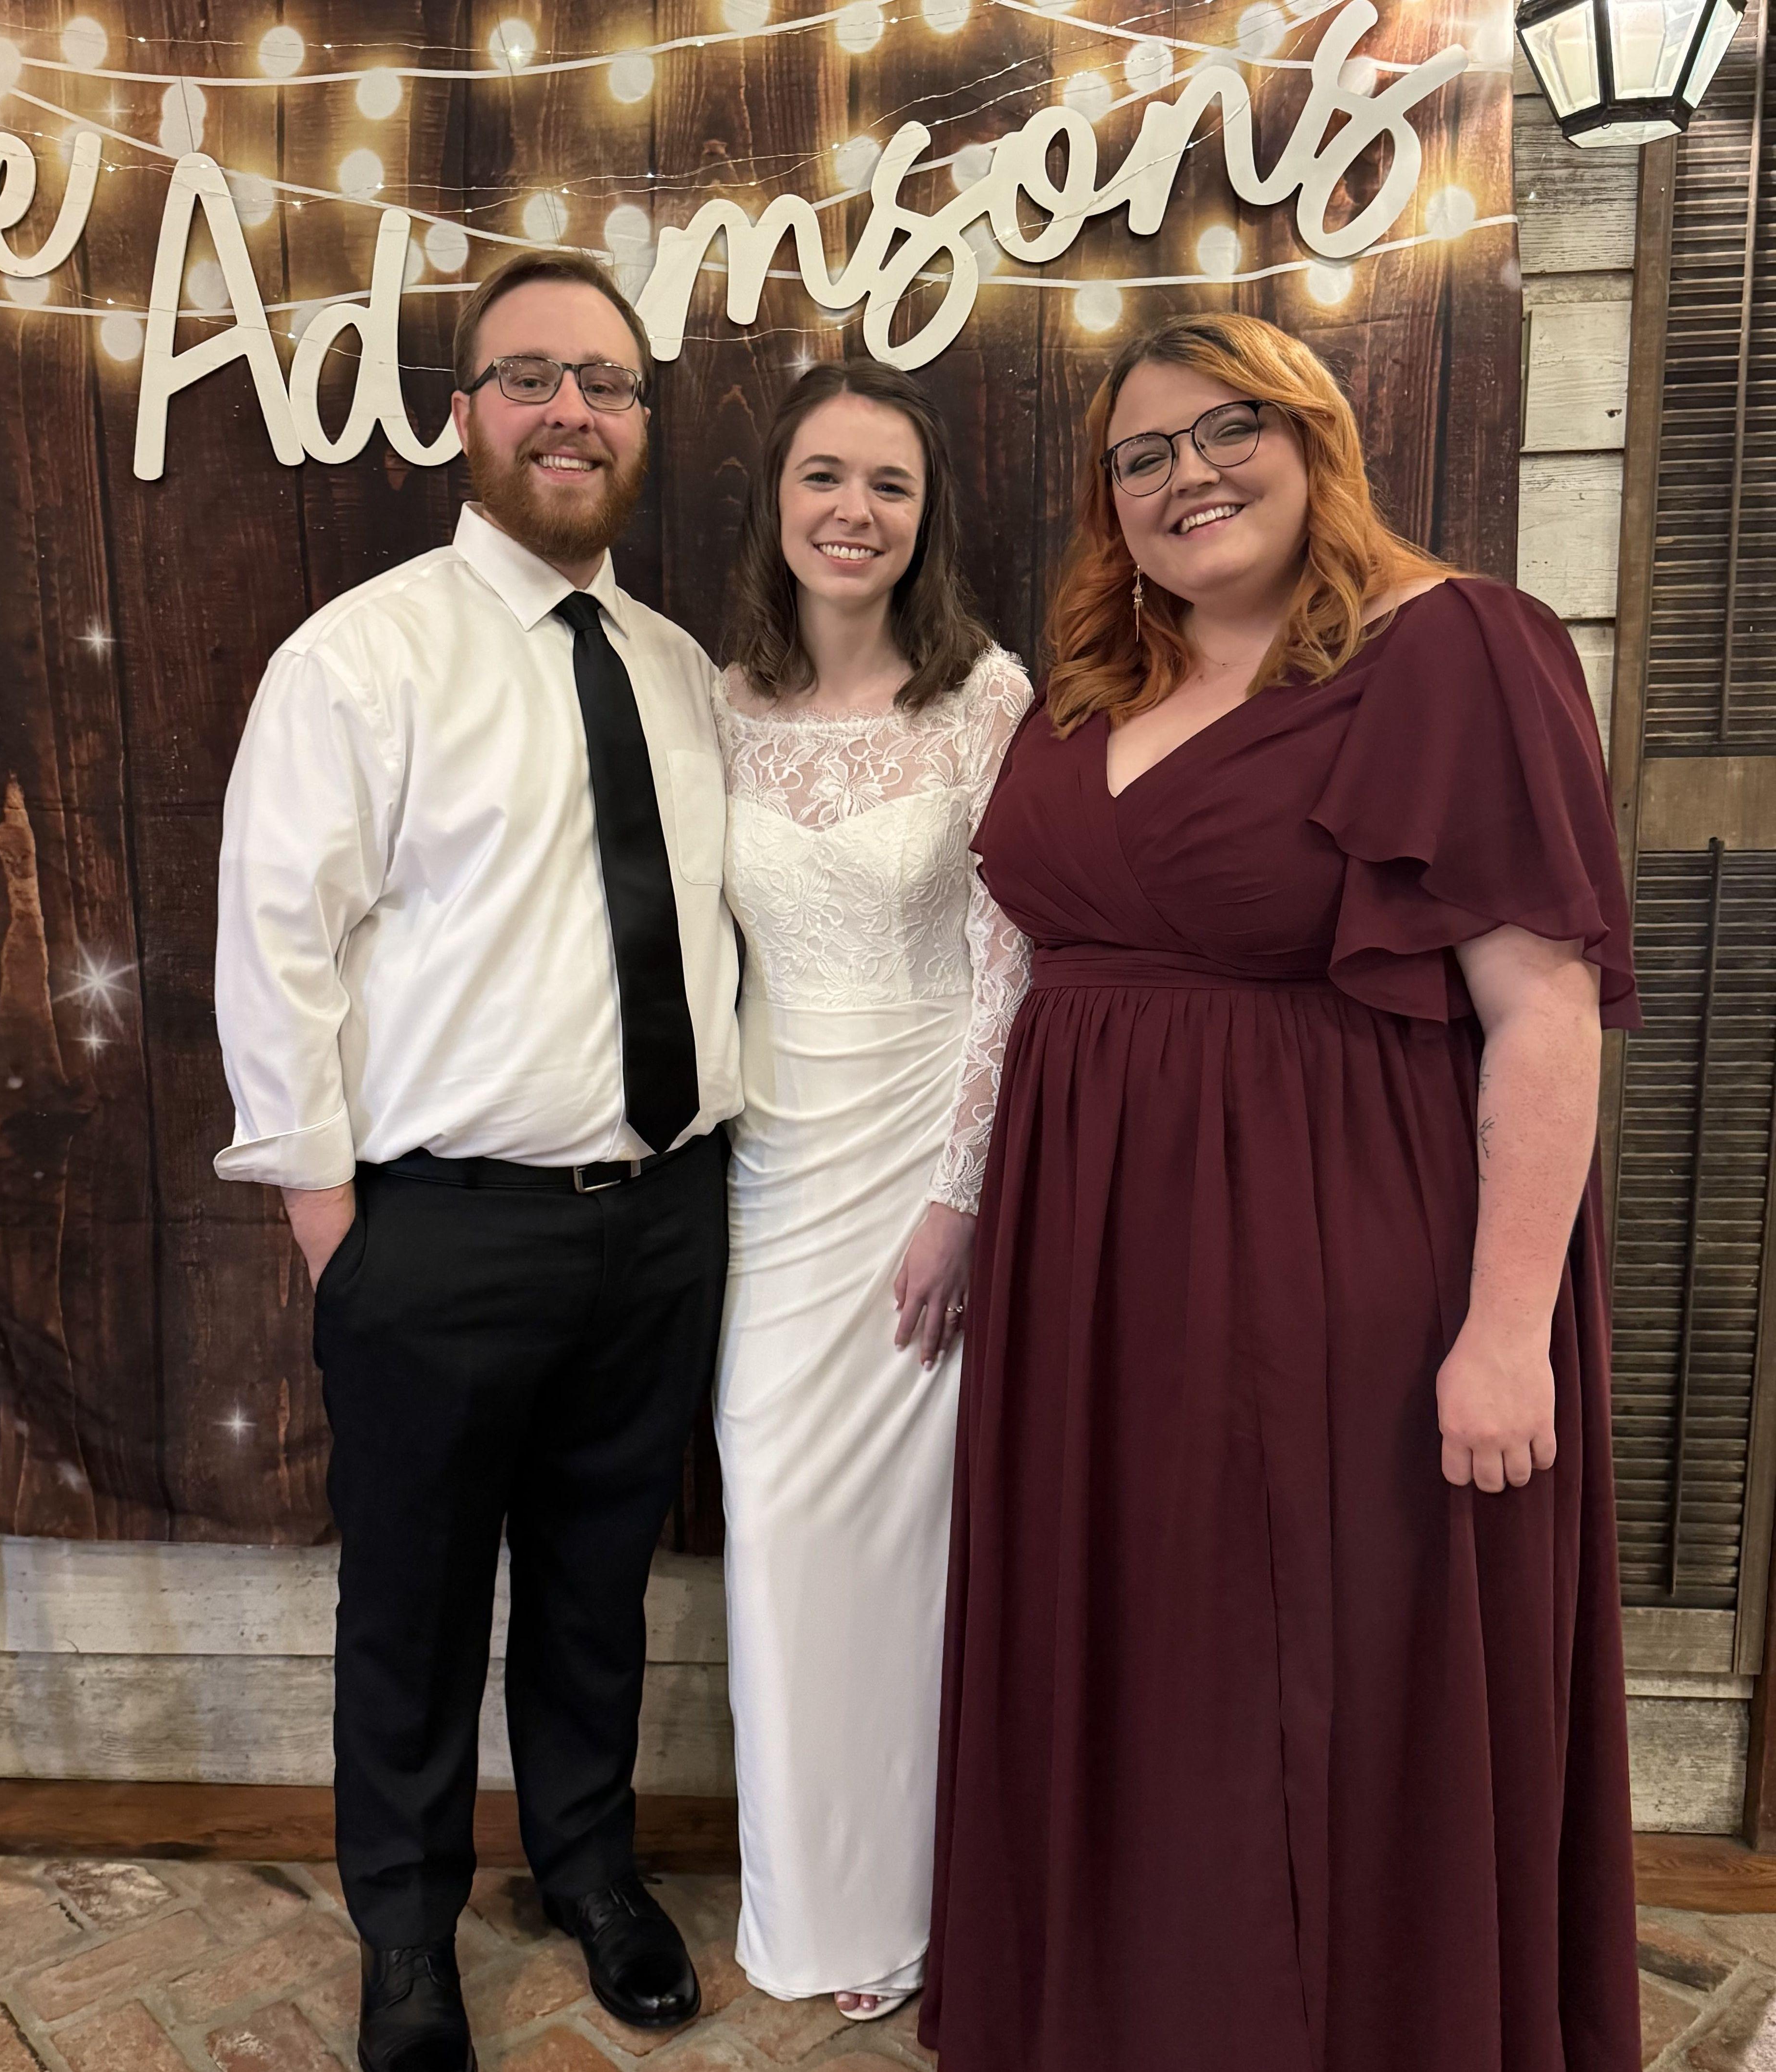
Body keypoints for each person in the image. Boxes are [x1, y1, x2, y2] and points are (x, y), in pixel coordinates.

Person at [922, 313, 1642, 2071]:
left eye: (1229, 428)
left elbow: (1542, 1011)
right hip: (1092, 1277)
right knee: (1143, 1661)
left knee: (1326, 1673)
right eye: (1142, 454)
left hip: (1335, 1261)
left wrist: (1505, 1333)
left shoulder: (1450, 643)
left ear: (1319, 439)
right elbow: (1028, 975)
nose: (1188, 474)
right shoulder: (1091, 686)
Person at [211, 251, 742, 2072]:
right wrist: (333, 1226)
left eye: (606, 383)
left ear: (642, 424)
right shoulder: (358, 657)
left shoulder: (678, 670)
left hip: (660, 1218)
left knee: (601, 1585)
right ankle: (405, 1932)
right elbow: (275, 944)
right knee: (415, 1607)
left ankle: (589, 1868)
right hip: (437, 1231)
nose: (570, 411)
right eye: (531, 377)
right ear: (463, 416)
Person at [712, 362, 1033, 2023]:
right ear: (777, 501)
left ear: (927, 516)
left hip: (921, 1150)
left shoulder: (985, 698)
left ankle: (909, 1899)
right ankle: (810, 1893)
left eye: (888, 484)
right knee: (773, 1529)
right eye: (823, 477)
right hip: (771, 1172)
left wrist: (959, 1196)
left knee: (913, 1551)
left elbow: (1010, 957)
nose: (853, 510)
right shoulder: (713, 702)